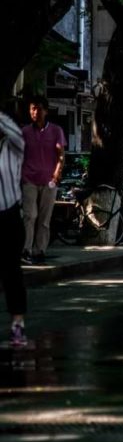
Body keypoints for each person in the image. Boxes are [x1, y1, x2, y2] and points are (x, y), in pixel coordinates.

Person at [20, 95, 65, 264]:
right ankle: (26, 249)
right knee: (30, 215)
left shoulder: (55, 131)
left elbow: (61, 155)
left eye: (39, 108)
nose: (35, 112)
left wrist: (57, 173)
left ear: (46, 111)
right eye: (32, 108)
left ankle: (40, 250)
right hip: (29, 179)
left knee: (44, 219)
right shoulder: (24, 132)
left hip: (49, 181)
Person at [1, 110, 28, 346]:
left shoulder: (14, 147)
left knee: (11, 272)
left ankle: (17, 323)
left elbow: (14, 132)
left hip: (9, 216)